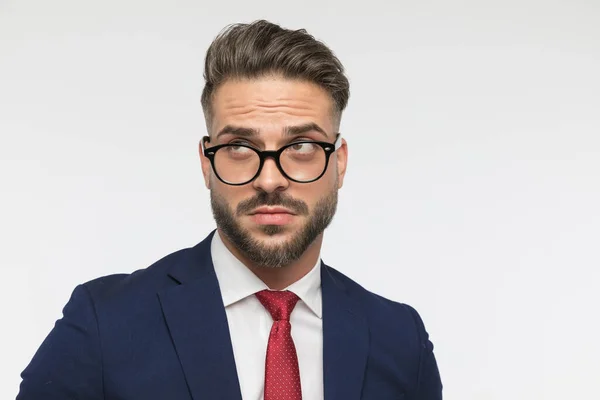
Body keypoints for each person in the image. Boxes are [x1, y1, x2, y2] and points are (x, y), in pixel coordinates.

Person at [17, 20, 443, 400]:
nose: (271, 179)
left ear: (339, 162)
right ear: (206, 162)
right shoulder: (104, 324)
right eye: (239, 147)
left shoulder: (400, 340)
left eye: (302, 146)